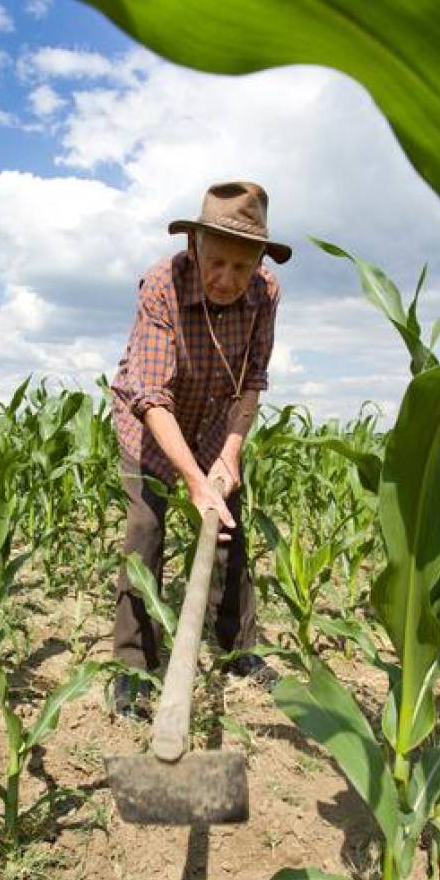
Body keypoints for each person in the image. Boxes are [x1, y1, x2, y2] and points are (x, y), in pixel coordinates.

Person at [109, 180, 291, 719]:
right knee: (145, 530)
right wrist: (191, 479)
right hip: (152, 422)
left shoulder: (266, 292)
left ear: (259, 260)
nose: (227, 280)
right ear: (194, 248)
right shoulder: (163, 283)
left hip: (217, 422)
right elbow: (151, 396)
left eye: (242, 267)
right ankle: (132, 670)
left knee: (229, 528)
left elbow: (253, 379)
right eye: (217, 263)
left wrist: (229, 454)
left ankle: (237, 650)